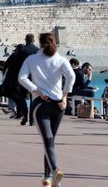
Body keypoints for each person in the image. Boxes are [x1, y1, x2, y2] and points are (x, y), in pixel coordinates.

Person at [19, 33, 75, 187]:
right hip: (58, 105)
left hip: (41, 104)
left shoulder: (32, 59)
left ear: (40, 43)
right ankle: (47, 177)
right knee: (50, 141)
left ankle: (54, 169)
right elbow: (71, 77)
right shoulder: (61, 59)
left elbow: (22, 77)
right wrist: (65, 96)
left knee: (47, 140)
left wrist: (36, 90)